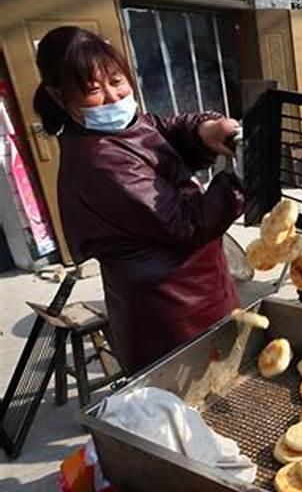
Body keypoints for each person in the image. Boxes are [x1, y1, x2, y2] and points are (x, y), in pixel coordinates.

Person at [33, 27, 245, 374]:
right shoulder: (98, 160)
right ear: (59, 97)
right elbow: (185, 222)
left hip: (202, 286)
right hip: (171, 310)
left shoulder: (121, 127)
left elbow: (159, 128)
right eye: (93, 90)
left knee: (224, 374)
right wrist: (241, 178)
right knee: (193, 396)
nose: (113, 97)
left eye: (117, 81)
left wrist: (202, 130)